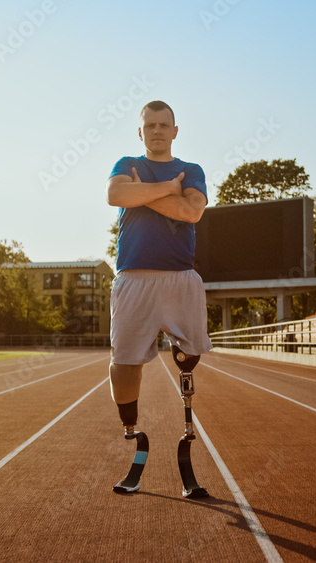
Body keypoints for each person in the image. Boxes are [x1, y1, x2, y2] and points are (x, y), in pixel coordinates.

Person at [105, 100, 213, 435]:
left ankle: (178, 351)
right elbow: (114, 195)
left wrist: (140, 193)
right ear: (140, 131)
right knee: (123, 363)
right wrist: (169, 189)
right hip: (133, 276)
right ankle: (130, 427)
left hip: (180, 277)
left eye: (163, 125)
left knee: (191, 354)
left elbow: (191, 212)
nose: (157, 131)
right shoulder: (126, 163)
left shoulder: (192, 169)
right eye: (150, 125)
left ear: (175, 131)